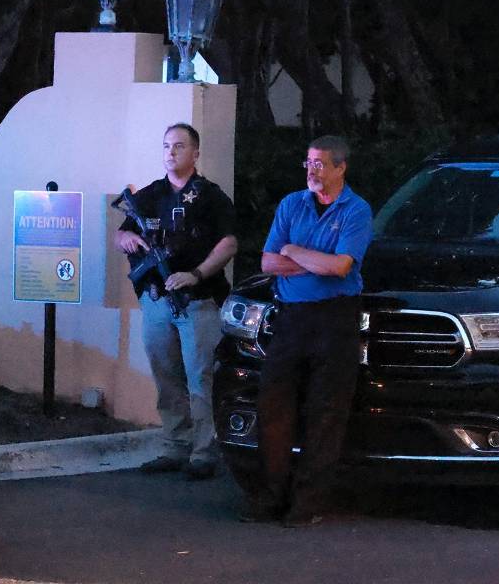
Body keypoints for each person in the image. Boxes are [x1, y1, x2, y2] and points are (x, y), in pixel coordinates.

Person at [242, 135, 373, 527]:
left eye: (319, 164)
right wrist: (315, 262)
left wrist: (293, 251)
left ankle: (308, 502)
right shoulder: (291, 204)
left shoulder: (356, 210)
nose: (312, 170)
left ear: (340, 167)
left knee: (325, 410)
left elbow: (340, 267)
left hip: (335, 318)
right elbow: (267, 262)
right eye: (309, 163)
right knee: (274, 404)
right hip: (292, 317)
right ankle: (271, 496)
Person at [114, 123, 237, 480]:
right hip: (156, 301)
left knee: (200, 378)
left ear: (195, 153)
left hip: (197, 300)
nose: (171, 152)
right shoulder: (150, 195)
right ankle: (175, 446)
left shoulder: (210, 197)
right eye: (167, 146)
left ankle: (203, 452)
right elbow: (122, 233)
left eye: (179, 146)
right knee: (166, 376)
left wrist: (196, 274)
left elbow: (228, 244)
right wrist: (126, 239)